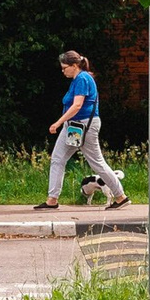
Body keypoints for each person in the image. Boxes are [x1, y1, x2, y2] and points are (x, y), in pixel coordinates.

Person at [35, 50, 127, 210]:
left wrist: (57, 123)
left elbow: (77, 105)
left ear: (74, 65)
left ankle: (120, 196)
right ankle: (52, 200)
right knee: (57, 159)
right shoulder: (77, 79)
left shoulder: (83, 78)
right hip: (75, 126)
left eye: (65, 68)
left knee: (97, 162)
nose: (63, 71)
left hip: (83, 125)